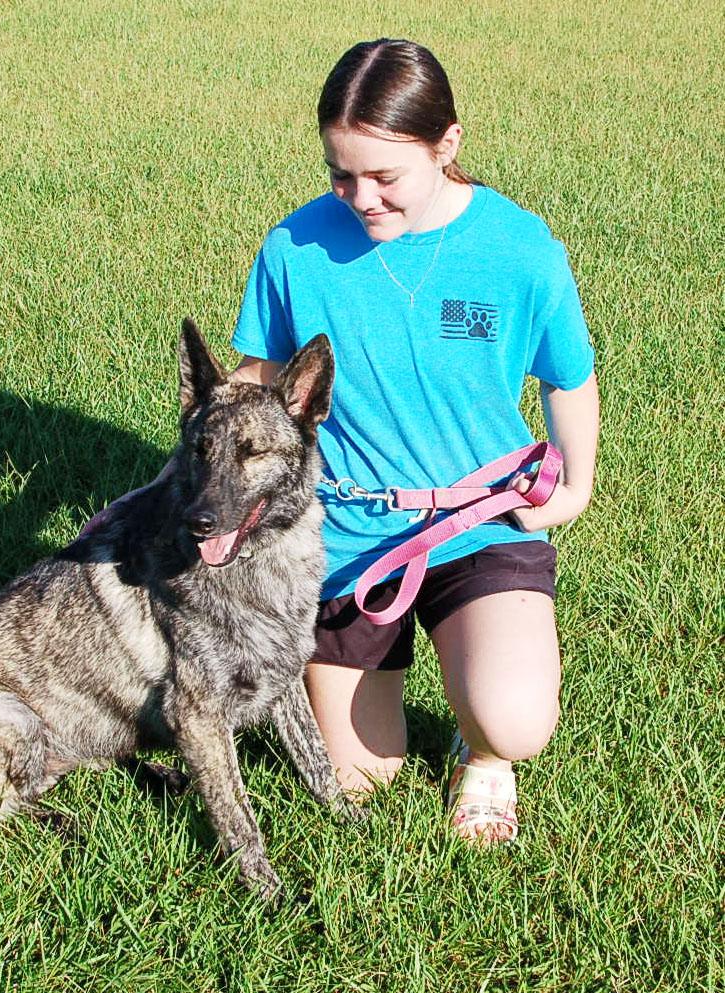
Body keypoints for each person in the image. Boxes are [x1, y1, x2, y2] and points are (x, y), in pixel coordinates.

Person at [230, 39, 599, 844]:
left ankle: (484, 754)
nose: (360, 198)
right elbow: (254, 380)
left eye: (384, 175)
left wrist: (574, 486)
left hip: (480, 519)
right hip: (347, 532)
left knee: (516, 719)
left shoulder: (519, 249)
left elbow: (567, 374)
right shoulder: (295, 248)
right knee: (357, 779)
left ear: (447, 144)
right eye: (340, 172)